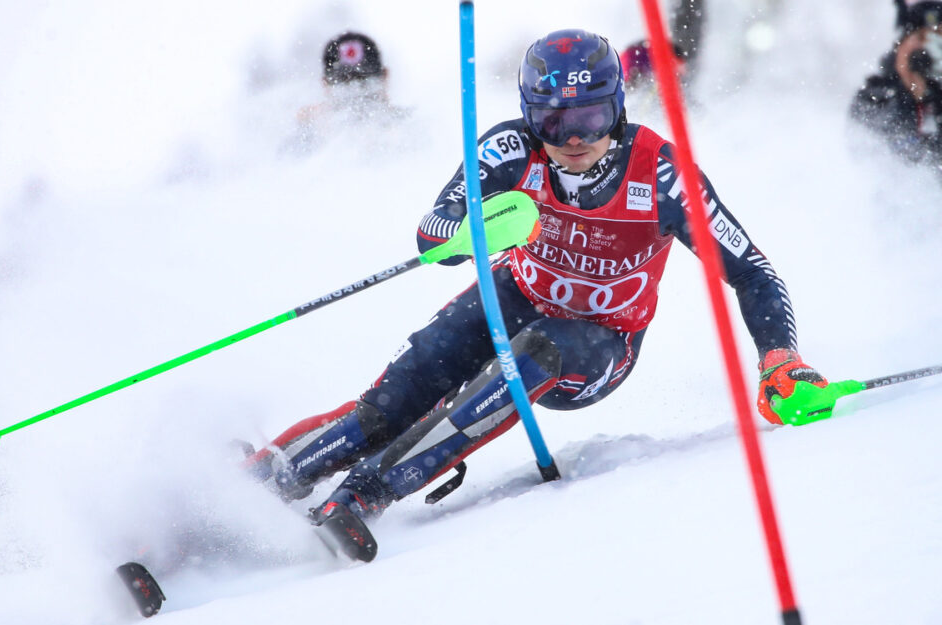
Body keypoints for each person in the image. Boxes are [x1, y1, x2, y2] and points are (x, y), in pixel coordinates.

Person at [245, 29, 826, 558]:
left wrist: (780, 358)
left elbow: (751, 270)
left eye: (592, 117)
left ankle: (365, 493)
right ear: (529, 116)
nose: (574, 138)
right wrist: (470, 229)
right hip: (513, 296)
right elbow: (433, 233)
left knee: (541, 349)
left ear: (617, 109)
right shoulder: (510, 150)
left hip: (599, 342)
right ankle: (257, 485)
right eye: (553, 122)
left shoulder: (662, 175)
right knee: (393, 402)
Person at [851, 1, 942, 166]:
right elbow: (877, 155)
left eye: (938, 38)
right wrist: (910, 94)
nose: (931, 50)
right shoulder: (874, 97)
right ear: (902, 44)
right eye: (922, 37)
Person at [295, 31, 408, 148]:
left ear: (384, 76)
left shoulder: (412, 131)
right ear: (326, 84)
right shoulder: (306, 142)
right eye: (344, 81)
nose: (356, 90)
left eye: (364, 78)